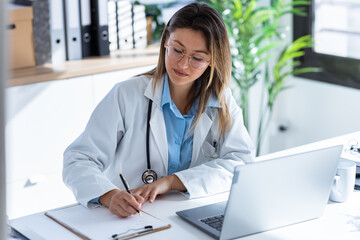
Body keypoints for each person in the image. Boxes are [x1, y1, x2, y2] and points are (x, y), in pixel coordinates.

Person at [63, 2, 254, 218]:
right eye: (177, 50)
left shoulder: (221, 101)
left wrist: (172, 182)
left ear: (213, 60)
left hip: (189, 214)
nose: (182, 65)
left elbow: (240, 163)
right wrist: (109, 195)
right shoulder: (126, 96)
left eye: (197, 58)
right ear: (165, 43)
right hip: (134, 217)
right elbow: (78, 159)